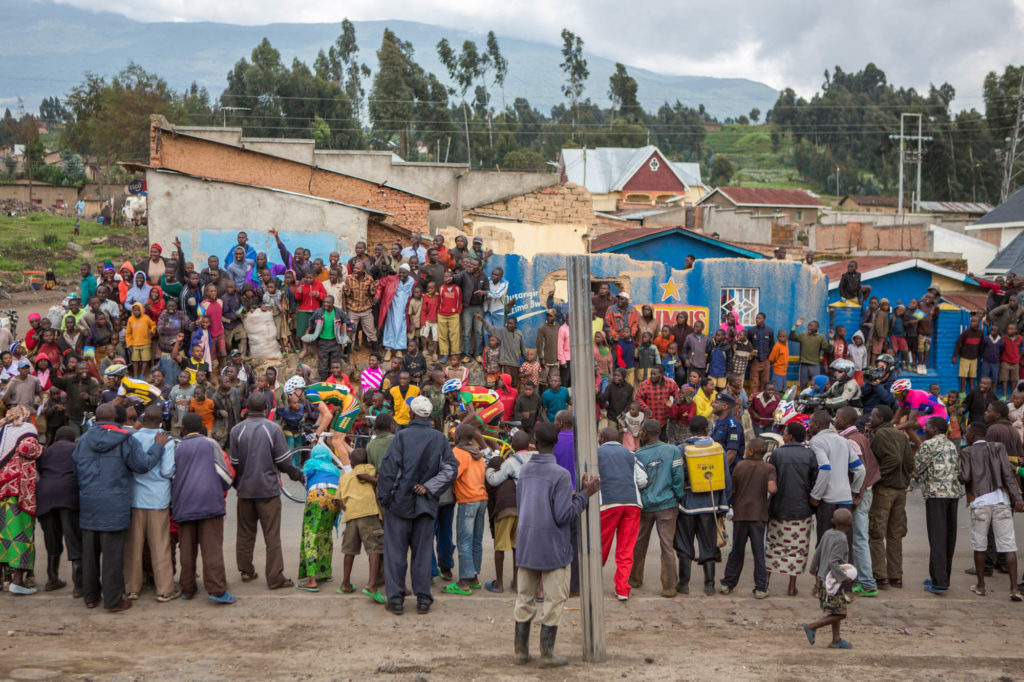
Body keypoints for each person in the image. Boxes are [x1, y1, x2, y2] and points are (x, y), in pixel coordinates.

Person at [511, 422, 600, 668]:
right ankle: (547, 655)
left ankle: (520, 652)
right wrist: (584, 495)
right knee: (553, 602)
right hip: (553, 548)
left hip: (528, 545)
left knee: (524, 599)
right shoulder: (561, 474)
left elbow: (528, 503)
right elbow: (563, 516)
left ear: (535, 443)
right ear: (556, 443)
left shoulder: (526, 470)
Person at [72, 403, 167, 610]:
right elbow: (142, 465)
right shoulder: (126, 440)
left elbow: (75, 468)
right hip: (115, 504)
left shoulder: (83, 440)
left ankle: (90, 596)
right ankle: (113, 600)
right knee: (113, 556)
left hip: (89, 502)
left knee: (90, 554)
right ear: (118, 418)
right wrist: (158, 446)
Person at [377, 396, 458, 615]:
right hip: (425, 505)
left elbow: (389, 471)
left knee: (395, 554)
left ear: (411, 414)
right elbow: (450, 469)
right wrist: (429, 487)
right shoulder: (439, 439)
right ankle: (423, 599)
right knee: (422, 554)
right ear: (429, 416)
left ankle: (395, 600)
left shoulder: (401, 437)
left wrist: (385, 499)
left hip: (399, 505)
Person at [229, 393, 303, 590]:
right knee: (272, 536)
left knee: (245, 533)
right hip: (268, 490)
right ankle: (275, 577)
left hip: (245, 490)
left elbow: (234, 464)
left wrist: (239, 485)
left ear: (247, 409)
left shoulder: (237, 430)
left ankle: (245, 570)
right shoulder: (272, 429)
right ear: (266, 409)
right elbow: (284, 462)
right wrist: (299, 476)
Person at [173, 413, 235, 604]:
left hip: (184, 504)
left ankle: (187, 588)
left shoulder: (178, 447)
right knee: (212, 550)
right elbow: (224, 474)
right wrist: (220, 489)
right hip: (209, 503)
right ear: (201, 426)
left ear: (183, 428)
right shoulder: (211, 445)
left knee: (187, 550)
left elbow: (171, 475)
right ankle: (217, 590)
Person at [959, 422, 1024, 601]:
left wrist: (958, 475)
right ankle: (1014, 588)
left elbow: (964, 477)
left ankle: (981, 586)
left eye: (968, 432)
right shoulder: (998, 448)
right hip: (1001, 500)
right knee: (1008, 546)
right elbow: (1008, 475)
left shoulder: (967, 452)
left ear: (972, 434)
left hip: (980, 501)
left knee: (979, 545)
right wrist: (1017, 498)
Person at [124, 405, 178, 603]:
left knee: (134, 546)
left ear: (143, 419)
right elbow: (166, 471)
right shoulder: (166, 440)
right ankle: (164, 590)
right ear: (161, 422)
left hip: (135, 498)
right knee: (160, 545)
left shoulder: (133, 438)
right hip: (158, 498)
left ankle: (132, 588)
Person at [675, 416, 731, 595]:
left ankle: (683, 584)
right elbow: (726, 479)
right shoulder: (718, 449)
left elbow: (677, 478)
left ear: (689, 430)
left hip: (687, 505)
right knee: (708, 544)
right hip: (711, 506)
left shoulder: (682, 449)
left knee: (684, 543)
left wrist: (677, 497)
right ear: (707, 430)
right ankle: (709, 585)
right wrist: (724, 504)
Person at [628, 419, 684, 597]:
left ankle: (635, 579)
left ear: (644, 433)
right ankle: (669, 586)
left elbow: (635, 481)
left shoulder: (638, 455)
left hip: (644, 506)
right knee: (667, 546)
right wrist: (678, 496)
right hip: (667, 504)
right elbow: (678, 478)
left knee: (639, 543)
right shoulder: (673, 450)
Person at [765, 421, 817, 597]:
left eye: (785, 432)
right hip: (801, 509)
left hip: (779, 507)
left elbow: (771, 477)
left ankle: (765, 582)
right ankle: (791, 586)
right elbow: (814, 480)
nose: (783, 435)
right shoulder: (809, 455)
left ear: (791, 436)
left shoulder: (777, 453)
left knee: (773, 546)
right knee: (798, 548)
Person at [719, 438, 776, 598]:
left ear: (751, 451)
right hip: (759, 515)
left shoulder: (740, 465)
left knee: (737, 551)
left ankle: (728, 584)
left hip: (741, 514)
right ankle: (761, 587)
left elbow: (733, 490)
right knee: (759, 552)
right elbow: (772, 488)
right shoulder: (769, 468)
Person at [834, 406, 880, 598]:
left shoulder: (851, 441)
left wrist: (857, 494)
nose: (834, 420)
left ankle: (868, 583)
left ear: (844, 420)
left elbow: (859, 470)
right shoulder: (858, 436)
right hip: (866, 490)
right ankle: (863, 579)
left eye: (836, 417)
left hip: (862, 492)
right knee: (858, 537)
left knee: (859, 538)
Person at [914, 417, 964, 595]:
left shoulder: (928, 445)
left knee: (937, 538)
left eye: (927, 426)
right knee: (948, 537)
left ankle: (939, 583)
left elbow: (917, 468)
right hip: (953, 494)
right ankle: (941, 575)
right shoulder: (951, 444)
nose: (924, 428)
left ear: (934, 429)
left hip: (936, 495)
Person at [866, 405, 913, 589]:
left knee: (877, 533)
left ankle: (880, 576)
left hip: (885, 489)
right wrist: (905, 478)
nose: (870, 418)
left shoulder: (881, 434)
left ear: (881, 419)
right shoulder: (900, 435)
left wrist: (878, 476)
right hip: (900, 490)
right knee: (895, 535)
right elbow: (909, 462)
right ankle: (896, 576)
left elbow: (894, 459)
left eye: (873, 415)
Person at [0, 407, 44, 595]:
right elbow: (27, 448)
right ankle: (18, 580)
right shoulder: (27, 429)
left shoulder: (3, 431)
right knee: (20, 533)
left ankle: (5, 578)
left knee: (2, 533)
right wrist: (41, 448)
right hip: (18, 491)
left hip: (2, 489)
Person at [808, 410, 865, 549]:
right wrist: (854, 491)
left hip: (827, 501)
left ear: (816, 425)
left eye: (810, 423)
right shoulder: (843, 441)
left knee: (825, 544)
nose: (808, 426)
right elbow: (860, 470)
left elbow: (825, 468)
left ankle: (825, 571)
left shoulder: (816, 442)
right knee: (845, 544)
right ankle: (846, 570)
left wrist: (816, 495)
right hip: (845, 499)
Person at [484, 430, 532, 594]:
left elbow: (495, 480)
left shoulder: (511, 462)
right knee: (517, 547)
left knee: (500, 547)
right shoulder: (535, 458)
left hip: (506, 510)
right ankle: (517, 584)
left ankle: (499, 584)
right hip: (525, 507)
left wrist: (489, 471)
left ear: (512, 446)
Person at [35, 426, 82, 594]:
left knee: (51, 540)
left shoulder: (45, 451)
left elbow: (39, 470)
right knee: (73, 538)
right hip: (68, 494)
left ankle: (52, 578)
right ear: (73, 438)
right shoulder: (77, 449)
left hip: (46, 495)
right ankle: (78, 585)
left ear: (55, 438)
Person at [802, 507, 855, 649]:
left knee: (835, 609)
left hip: (821, 577)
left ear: (833, 521)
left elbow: (818, 552)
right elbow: (833, 561)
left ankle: (836, 640)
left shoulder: (827, 534)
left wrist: (813, 569)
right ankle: (812, 626)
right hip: (832, 581)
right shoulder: (842, 539)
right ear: (850, 525)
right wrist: (843, 578)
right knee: (841, 613)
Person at [446, 423, 490, 596]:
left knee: (464, 540)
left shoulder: (458, 453)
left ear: (457, 437)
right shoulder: (477, 453)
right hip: (481, 498)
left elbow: (452, 474)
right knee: (476, 540)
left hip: (467, 499)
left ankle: (463, 581)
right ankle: (473, 577)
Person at [296, 443, 346, 593]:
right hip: (334, 498)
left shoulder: (310, 465)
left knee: (311, 535)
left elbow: (306, 483)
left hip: (317, 497)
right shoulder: (335, 470)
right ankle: (324, 572)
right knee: (325, 535)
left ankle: (311, 580)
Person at [790, 318, 830, 388]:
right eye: (808, 325)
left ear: (817, 327)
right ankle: (803, 397)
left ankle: (814, 397)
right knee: (803, 385)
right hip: (804, 365)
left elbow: (827, 349)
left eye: (811, 326)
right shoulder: (803, 335)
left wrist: (831, 340)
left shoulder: (821, 337)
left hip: (815, 365)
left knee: (816, 385)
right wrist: (796, 326)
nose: (809, 327)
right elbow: (791, 337)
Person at [710, 393, 744, 467]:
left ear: (725, 407)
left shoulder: (733, 425)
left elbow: (731, 453)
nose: (712, 404)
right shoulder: (719, 422)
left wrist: (720, 471)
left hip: (729, 470)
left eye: (716, 403)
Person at [953, 314, 983, 393]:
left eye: (974, 321)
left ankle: (971, 391)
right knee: (963, 376)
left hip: (974, 358)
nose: (972, 323)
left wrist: (980, 354)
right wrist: (955, 356)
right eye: (971, 321)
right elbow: (958, 343)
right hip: (965, 357)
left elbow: (982, 345)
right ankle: (962, 391)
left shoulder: (980, 333)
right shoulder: (966, 332)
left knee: (972, 376)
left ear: (978, 323)